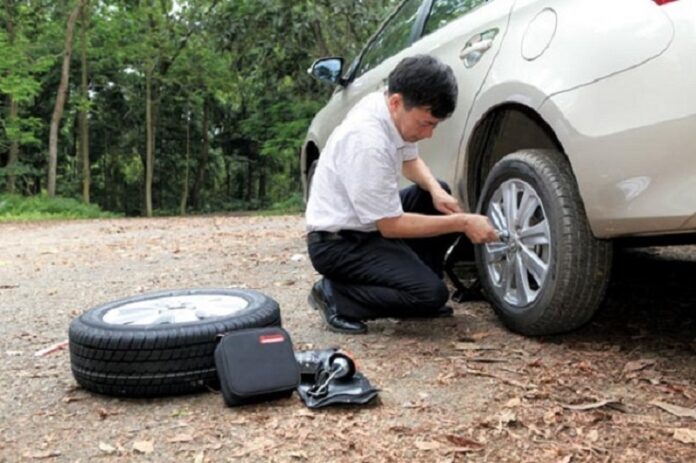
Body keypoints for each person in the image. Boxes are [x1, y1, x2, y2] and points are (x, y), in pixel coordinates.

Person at [305, 54, 499, 334]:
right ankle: (335, 295)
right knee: (430, 294)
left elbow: (410, 160)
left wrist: (434, 190)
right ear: (396, 102)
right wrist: (464, 222)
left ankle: (418, 283)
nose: (429, 134)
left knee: (438, 194)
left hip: (366, 224)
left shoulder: (384, 106)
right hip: (338, 243)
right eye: (425, 124)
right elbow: (390, 225)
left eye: (434, 125)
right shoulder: (366, 142)